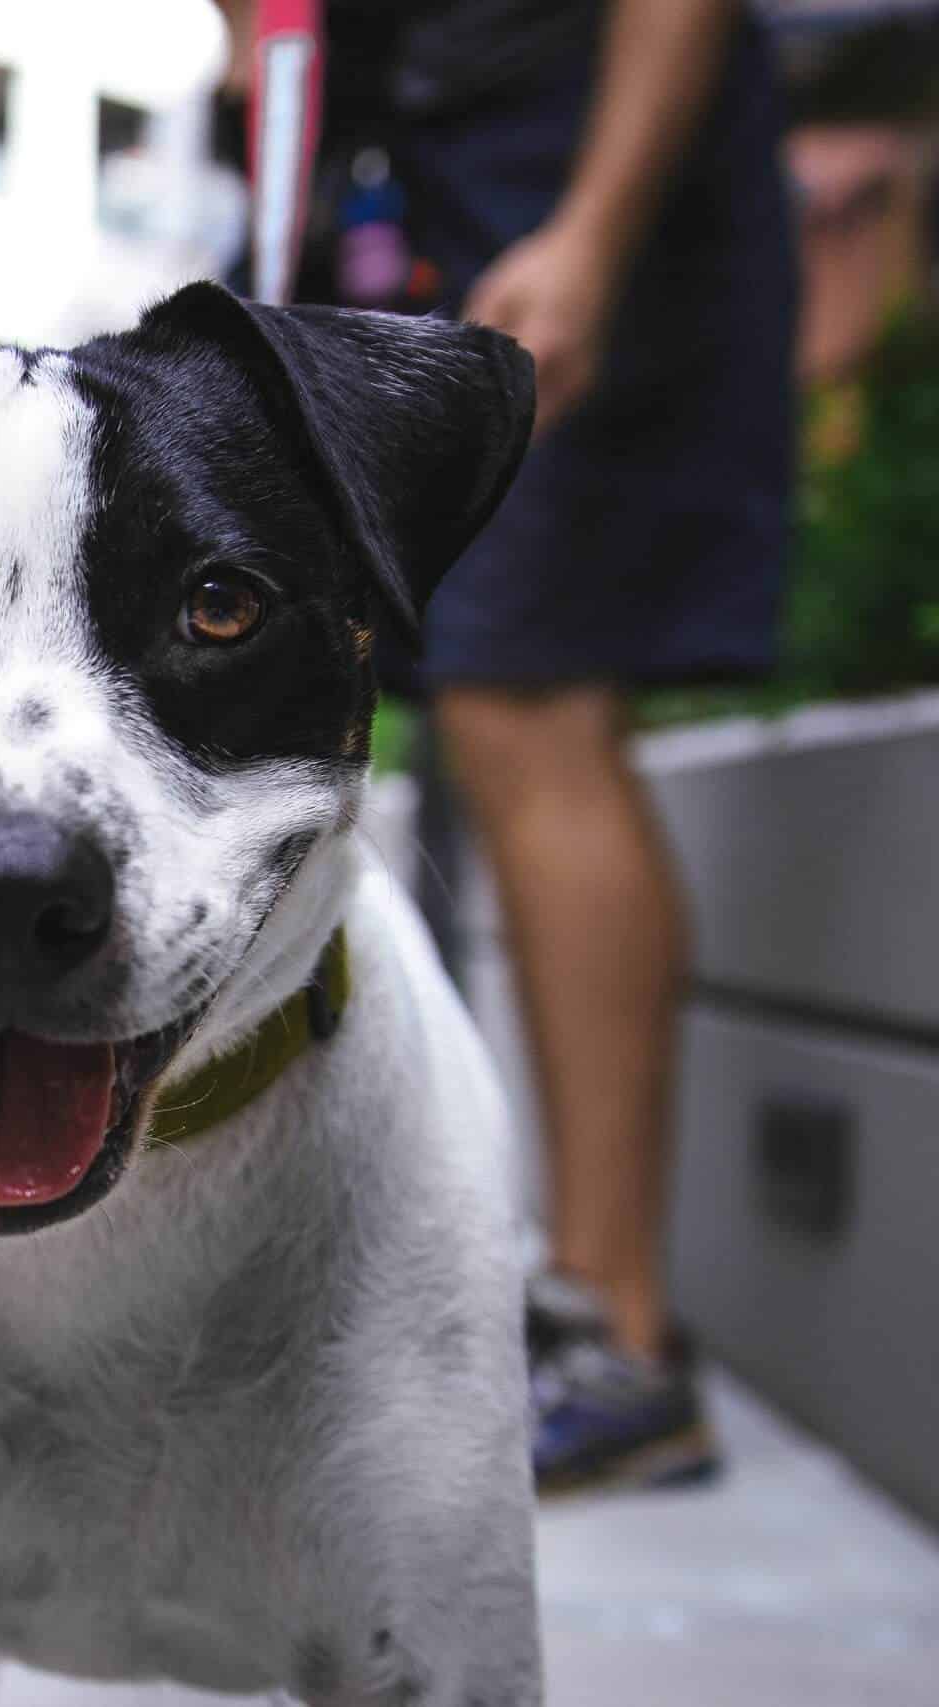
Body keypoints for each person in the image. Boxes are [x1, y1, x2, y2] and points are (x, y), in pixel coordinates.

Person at [219, 0, 799, 1493]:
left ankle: (622, 1339)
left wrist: (598, 228)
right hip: (408, 163)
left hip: (576, 163)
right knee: (399, 690)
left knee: (527, 700)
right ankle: (527, 1301)